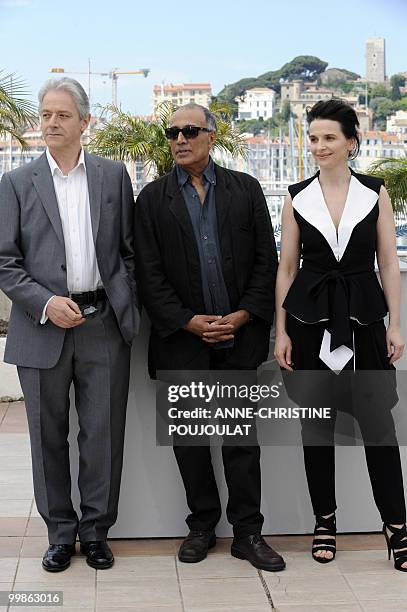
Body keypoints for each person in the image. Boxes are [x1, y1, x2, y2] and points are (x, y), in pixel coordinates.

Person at [134, 103, 285, 572]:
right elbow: (148, 274)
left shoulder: (246, 189)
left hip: (240, 337)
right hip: (182, 340)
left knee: (243, 440)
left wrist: (241, 316)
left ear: (211, 137)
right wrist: (189, 321)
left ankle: (248, 534)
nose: (179, 138)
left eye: (189, 131)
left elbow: (268, 261)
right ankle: (201, 527)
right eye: (172, 131)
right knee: (191, 442)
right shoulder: (152, 199)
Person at [0, 78, 139, 572]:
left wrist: (126, 305)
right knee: (46, 436)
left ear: (85, 121)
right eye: (45, 114)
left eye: (62, 114)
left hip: (103, 325)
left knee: (102, 434)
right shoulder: (16, 183)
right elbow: (5, 261)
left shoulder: (112, 176)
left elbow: (127, 252)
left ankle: (96, 532)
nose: (51, 122)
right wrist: (45, 303)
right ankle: (60, 534)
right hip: (41, 328)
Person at [274, 98, 407, 571]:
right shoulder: (295, 195)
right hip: (309, 326)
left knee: (379, 426)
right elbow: (287, 267)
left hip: (365, 322)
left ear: (352, 142)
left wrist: (396, 322)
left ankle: (397, 526)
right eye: (313, 138)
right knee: (316, 426)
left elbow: (388, 262)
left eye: (329, 137)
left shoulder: (376, 192)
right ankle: (325, 520)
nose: (319, 146)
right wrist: (281, 331)